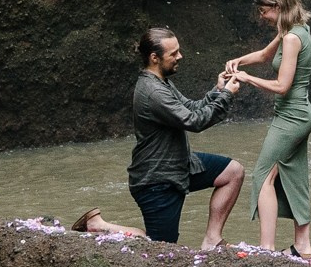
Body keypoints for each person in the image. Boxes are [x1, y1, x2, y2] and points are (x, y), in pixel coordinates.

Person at [77, 26, 245, 248]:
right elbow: (194, 122)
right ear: (154, 58)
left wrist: (217, 90)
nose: (180, 57)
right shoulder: (153, 92)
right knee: (159, 246)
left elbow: (191, 108)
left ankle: (212, 240)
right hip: (157, 179)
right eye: (173, 54)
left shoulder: (161, 83)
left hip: (180, 166)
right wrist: (225, 96)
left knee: (233, 172)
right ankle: (99, 225)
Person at [225, 0, 311, 257]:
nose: (261, 16)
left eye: (264, 10)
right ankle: (302, 245)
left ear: (277, 6)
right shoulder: (295, 29)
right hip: (297, 115)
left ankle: (266, 249)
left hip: (292, 117)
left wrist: (246, 78)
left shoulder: (291, 38)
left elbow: (282, 86)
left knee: (263, 175)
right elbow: (265, 55)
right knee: (295, 175)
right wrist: (238, 61)